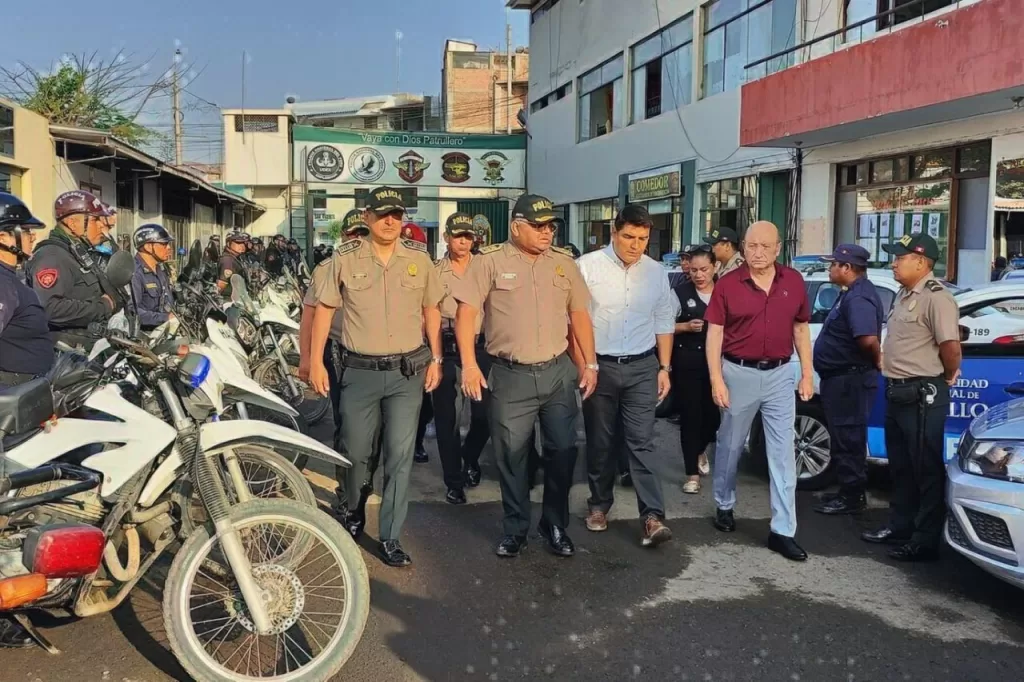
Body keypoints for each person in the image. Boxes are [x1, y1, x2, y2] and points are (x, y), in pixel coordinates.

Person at [455, 193, 597, 559]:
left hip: (557, 374)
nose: (547, 232)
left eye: (551, 226)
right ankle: (516, 527)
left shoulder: (564, 264)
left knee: (564, 450)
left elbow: (579, 315)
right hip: (510, 375)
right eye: (538, 226)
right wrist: (470, 364)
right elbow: (467, 314)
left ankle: (554, 524)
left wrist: (590, 363)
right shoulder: (489, 262)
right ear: (516, 226)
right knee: (512, 456)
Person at [308, 187, 443, 568]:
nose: (390, 221)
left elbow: (432, 309)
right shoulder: (344, 259)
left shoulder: (419, 259)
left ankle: (390, 536)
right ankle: (352, 509)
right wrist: (315, 362)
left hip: (406, 374)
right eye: (383, 214)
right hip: (360, 373)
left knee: (399, 457)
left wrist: (437, 358)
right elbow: (323, 311)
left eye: (397, 215)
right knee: (355, 451)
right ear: (367, 217)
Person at [705, 220, 813, 562]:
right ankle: (724, 503)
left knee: (783, 454)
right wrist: (716, 379)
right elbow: (714, 334)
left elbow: (801, 329)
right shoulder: (728, 284)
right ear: (743, 248)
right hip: (738, 373)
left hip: (781, 374)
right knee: (731, 445)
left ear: (778, 249)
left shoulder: (793, 282)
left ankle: (783, 530)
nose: (758, 252)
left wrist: (806, 374)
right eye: (752, 246)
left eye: (766, 246)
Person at [576, 205, 675, 547]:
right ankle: (599, 505)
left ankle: (651, 516)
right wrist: (584, 366)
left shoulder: (656, 272)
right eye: (629, 237)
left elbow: (663, 320)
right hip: (598, 367)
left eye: (643, 239)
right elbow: (576, 321)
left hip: (643, 367)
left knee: (642, 442)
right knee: (601, 441)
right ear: (614, 233)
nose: (636, 245)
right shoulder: (587, 267)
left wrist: (665, 367)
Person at [862, 233, 960, 561]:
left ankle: (924, 538)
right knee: (900, 466)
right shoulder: (905, 294)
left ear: (920, 261)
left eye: (900, 257)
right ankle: (900, 524)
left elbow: (950, 346)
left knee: (926, 469)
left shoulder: (937, 297)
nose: (893, 262)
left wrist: (945, 376)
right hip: (898, 391)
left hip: (922, 393)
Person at [812, 244, 883, 516]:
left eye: (833, 265)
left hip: (850, 382)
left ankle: (852, 496)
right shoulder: (851, 293)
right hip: (841, 379)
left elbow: (867, 339)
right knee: (844, 438)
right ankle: (847, 490)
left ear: (847, 268)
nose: (830, 269)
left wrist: (876, 360)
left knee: (849, 439)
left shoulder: (858, 298)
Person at [431, 212, 486, 505]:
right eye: (457, 236)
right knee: (447, 419)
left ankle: (471, 457)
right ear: (446, 238)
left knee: (484, 415)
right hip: (449, 348)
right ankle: (454, 480)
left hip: (482, 347)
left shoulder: (486, 266)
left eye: (468, 236)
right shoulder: (435, 272)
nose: (463, 241)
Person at [26, 190, 121, 347]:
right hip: (65, 355)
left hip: (87, 347)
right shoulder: (52, 256)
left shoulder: (76, 253)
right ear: (72, 223)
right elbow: (50, 309)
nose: (101, 226)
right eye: (95, 220)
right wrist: (102, 307)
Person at [671, 245, 717, 493]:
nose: (699, 275)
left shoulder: (725, 291)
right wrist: (685, 327)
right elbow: (663, 325)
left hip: (717, 364)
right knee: (690, 416)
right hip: (687, 361)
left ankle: (700, 448)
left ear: (714, 267)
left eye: (704, 269)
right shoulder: (679, 292)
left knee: (714, 417)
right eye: (694, 270)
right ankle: (692, 474)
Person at [0, 193, 52, 388]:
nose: (33, 237)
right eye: (26, 230)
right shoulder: (2, 282)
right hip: (13, 393)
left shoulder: (10, 276)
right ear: (3, 238)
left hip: (27, 390)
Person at [130, 224, 176, 332]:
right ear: (148, 247)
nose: (169, 248)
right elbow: (132, 311)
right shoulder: (134, 272)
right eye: (164, 244)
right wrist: (165, 318)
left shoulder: (161, 269)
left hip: (164, 332)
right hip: (144, 335)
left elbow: (168, 301)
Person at [217, 232, 250, 298]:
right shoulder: (227, 260)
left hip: (240, 298)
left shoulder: (237, 257)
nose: (241, 246)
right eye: (238, 243)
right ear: (228, 243)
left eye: (243, 243)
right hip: (229, 300)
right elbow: (221, 287)